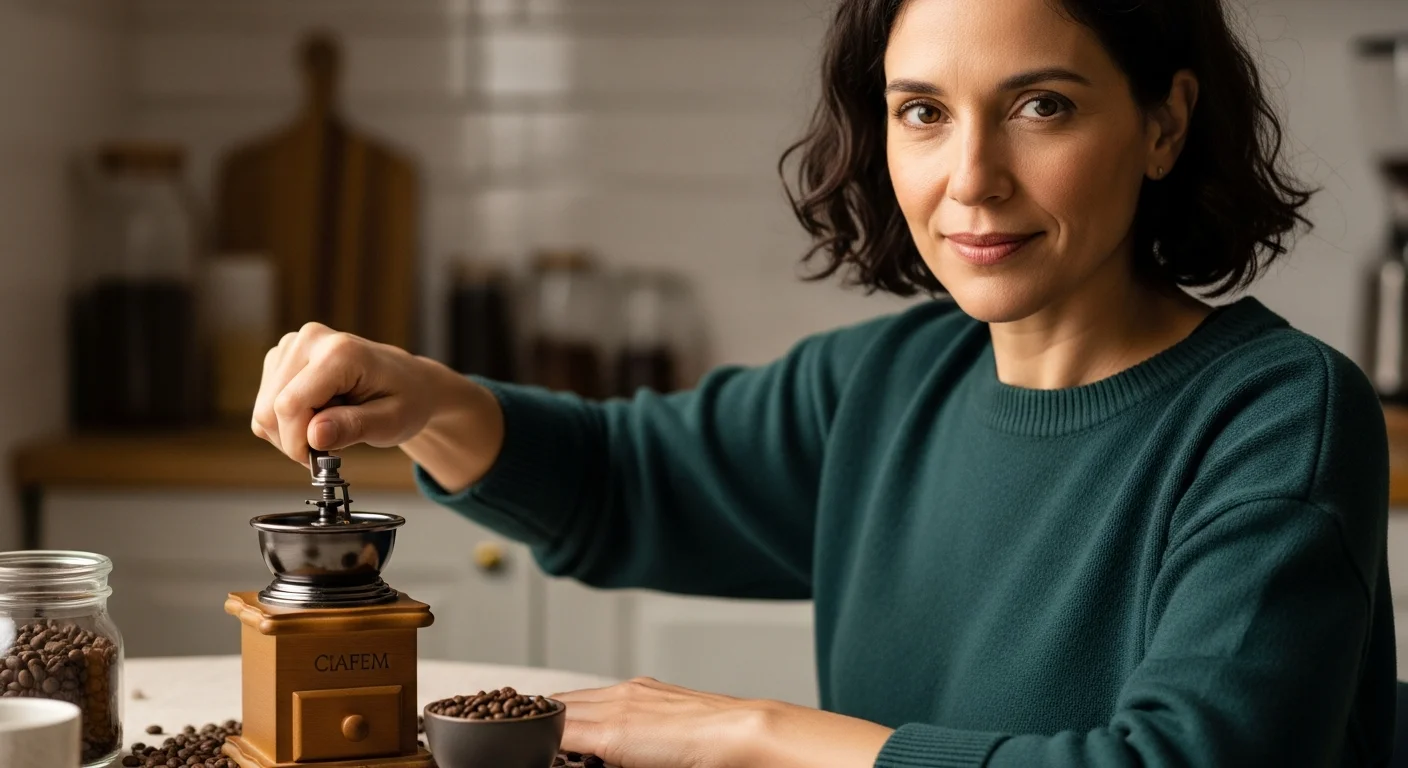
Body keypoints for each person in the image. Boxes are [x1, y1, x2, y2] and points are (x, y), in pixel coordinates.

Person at [250, 0, 1396, 765]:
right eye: (923, 114)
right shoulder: (887, 383)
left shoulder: (1277, 413)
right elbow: (619, 483)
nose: (972, 179)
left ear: (1163, 123)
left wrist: (751, 735)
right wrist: (429, 399)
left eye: (1041, 106)